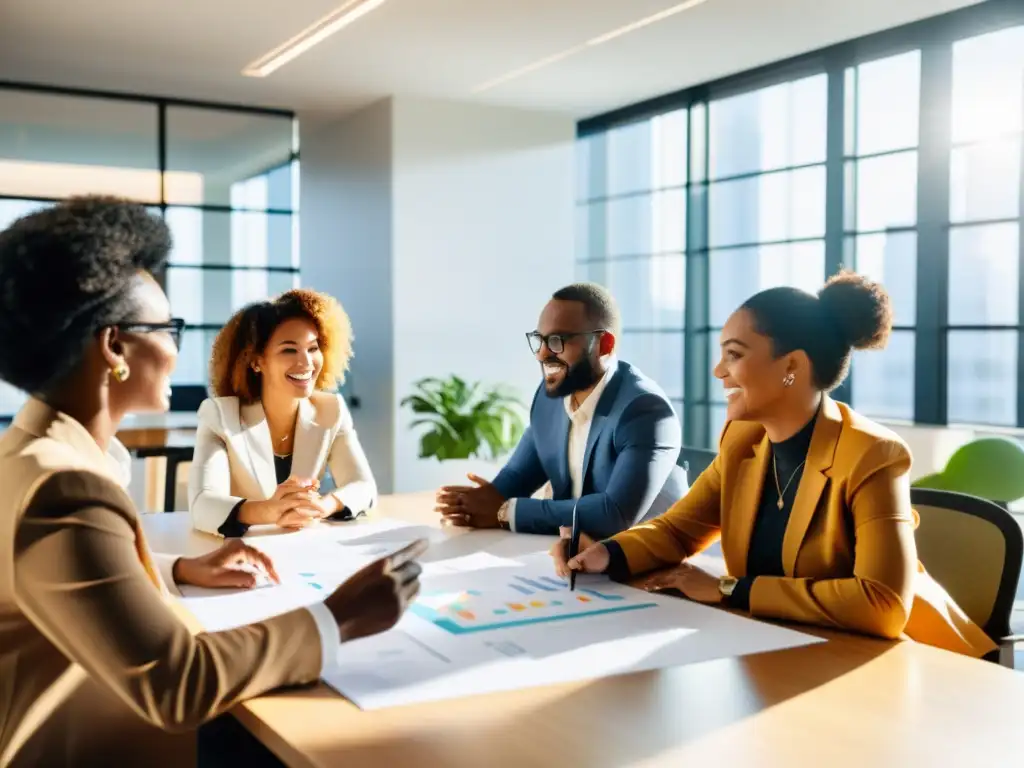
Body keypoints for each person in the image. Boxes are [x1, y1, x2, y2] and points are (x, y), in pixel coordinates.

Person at [0, 197, 425, 767]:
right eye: (167, 328)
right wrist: (338, 616)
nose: (177, 349)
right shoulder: (63, 488)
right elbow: (178, 683)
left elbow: (59, 583)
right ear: (115, 347)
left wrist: (175, 568)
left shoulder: (29, 454)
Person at [553, 272, 995, 658]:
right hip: (788, 649)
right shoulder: (744, 442)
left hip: (910, 666)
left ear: (791, 367)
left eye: (734, 354)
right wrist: (605, 554)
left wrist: (730, 589)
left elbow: (882, 605)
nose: (718, 371)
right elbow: (678, 531)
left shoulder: (873, 454)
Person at [437, 283, 687, 540]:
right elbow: (517, 476)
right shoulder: (550, 400)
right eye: (540, 340)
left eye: (557, 341)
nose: (542, 354)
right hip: (579, 553)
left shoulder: (645, 410)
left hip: (652, 559)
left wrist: (505, 512)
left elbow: (614, 514)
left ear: (604, 345)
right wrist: (475, 503)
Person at [188, 290, 377, 537]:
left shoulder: (331, 410)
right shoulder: (220, 416)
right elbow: (202, 505)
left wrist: (322, 506)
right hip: (239, 552)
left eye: (313, 348)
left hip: (300, 549)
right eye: (289, 350)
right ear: (256, 361)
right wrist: (272, 511)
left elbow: (364, 487)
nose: (306, 362)